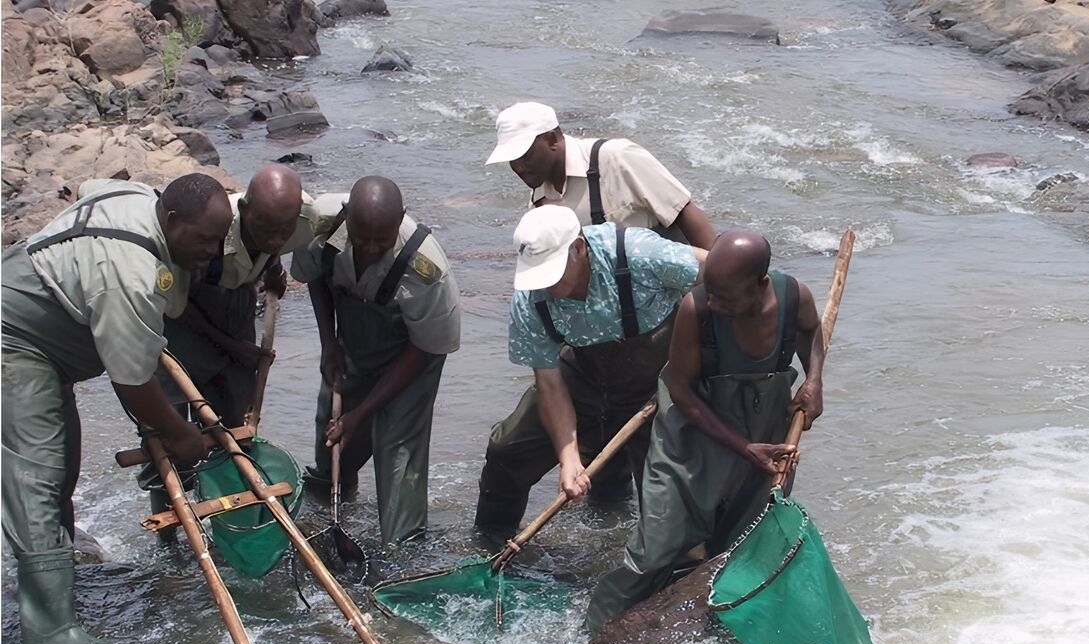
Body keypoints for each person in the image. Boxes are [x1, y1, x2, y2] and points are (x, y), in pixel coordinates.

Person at [1, 173, 232, 644]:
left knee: (63, 465)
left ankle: (58, 590)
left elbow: (88, 185)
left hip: (43, 328)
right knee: (38, 471)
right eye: (202, 239)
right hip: (15, 338)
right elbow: (131, 382)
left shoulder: (141, 199)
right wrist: (180, 433)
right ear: (170, 220)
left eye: (220, 239)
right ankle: (48, 631)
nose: (213, 250)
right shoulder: (130, 271)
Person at [585, 229, 825, 633]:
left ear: (761, 284)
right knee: (654, 554)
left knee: (741, 552)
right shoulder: (696, 310)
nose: (714, 302)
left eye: (726, 297)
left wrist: (814, 380)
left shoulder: (794, 296)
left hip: (764, 438)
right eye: (709, 291)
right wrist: (741, 446)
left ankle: (715, 638)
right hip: (692, 439)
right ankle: (591, 638)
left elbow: (812, 333)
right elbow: (679, 389)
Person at [474, 204, 706, 536]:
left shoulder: (641, 253)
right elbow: (550, 385)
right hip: (581, 375)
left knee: (669, 489)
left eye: (552, 273)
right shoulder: (529, 301)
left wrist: (702, 360)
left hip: (658, 379)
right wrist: (568, 458)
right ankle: (491, 542)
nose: (546, 287)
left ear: (580, 248)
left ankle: (678, 565)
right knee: (507, 449)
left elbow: (725, 274)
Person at [291, 176, 461, 545]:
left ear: (401, 219)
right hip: (353, 344)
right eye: (360, 238)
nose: (368, 249)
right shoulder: (320, 225)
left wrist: (363, 412)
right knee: (333, 437)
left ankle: (402, 551)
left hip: (412, 357)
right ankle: (332, 513)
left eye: (379, 242)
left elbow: (427, 348)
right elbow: (316, 276)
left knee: (396, 450)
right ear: (348, 217)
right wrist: (328, 346)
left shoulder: (425, 267)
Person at [163, 164, 316, 425]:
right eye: (265, 229)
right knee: (173, 424)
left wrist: (272, 266)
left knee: (235, 418)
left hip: (237, 311)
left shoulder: (303, 221)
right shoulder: (207, 230)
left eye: (284, 230)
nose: (276, 239)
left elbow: (276, 241)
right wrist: (232, 346)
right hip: (183, 319)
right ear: (245, 211)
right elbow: (176, 304)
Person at [485, 101, 717, 250]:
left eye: (525, 156)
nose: (519, 167)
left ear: (552, 140)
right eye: (511, 159)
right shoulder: (540, 202)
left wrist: (720, 284)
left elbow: (683, 212)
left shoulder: (616, 157)